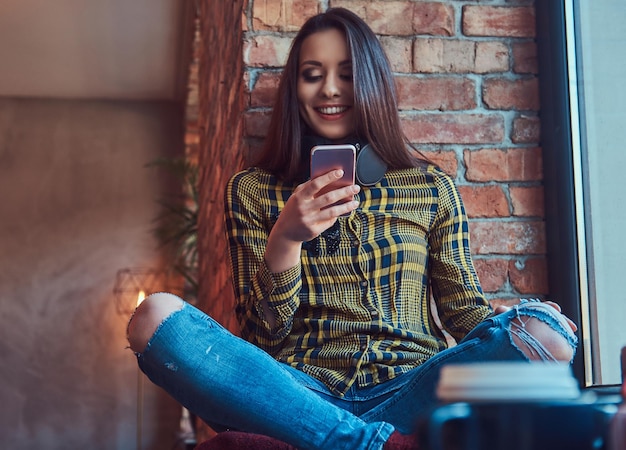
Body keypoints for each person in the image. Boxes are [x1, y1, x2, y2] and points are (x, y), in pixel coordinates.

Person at [127, 7, 578, 450]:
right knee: (154, 315)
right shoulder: (252, 191)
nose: (329, 89)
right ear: (295, 88)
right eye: (312, 74)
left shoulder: (430, 187)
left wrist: (513, 328)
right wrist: (286, 239)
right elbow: (261, 342)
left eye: (345, 73)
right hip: (299, 394)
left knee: (546, 333)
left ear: (370, 81)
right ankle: (375, 444)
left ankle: (346, 440)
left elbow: (465, 314)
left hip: (412, 389)